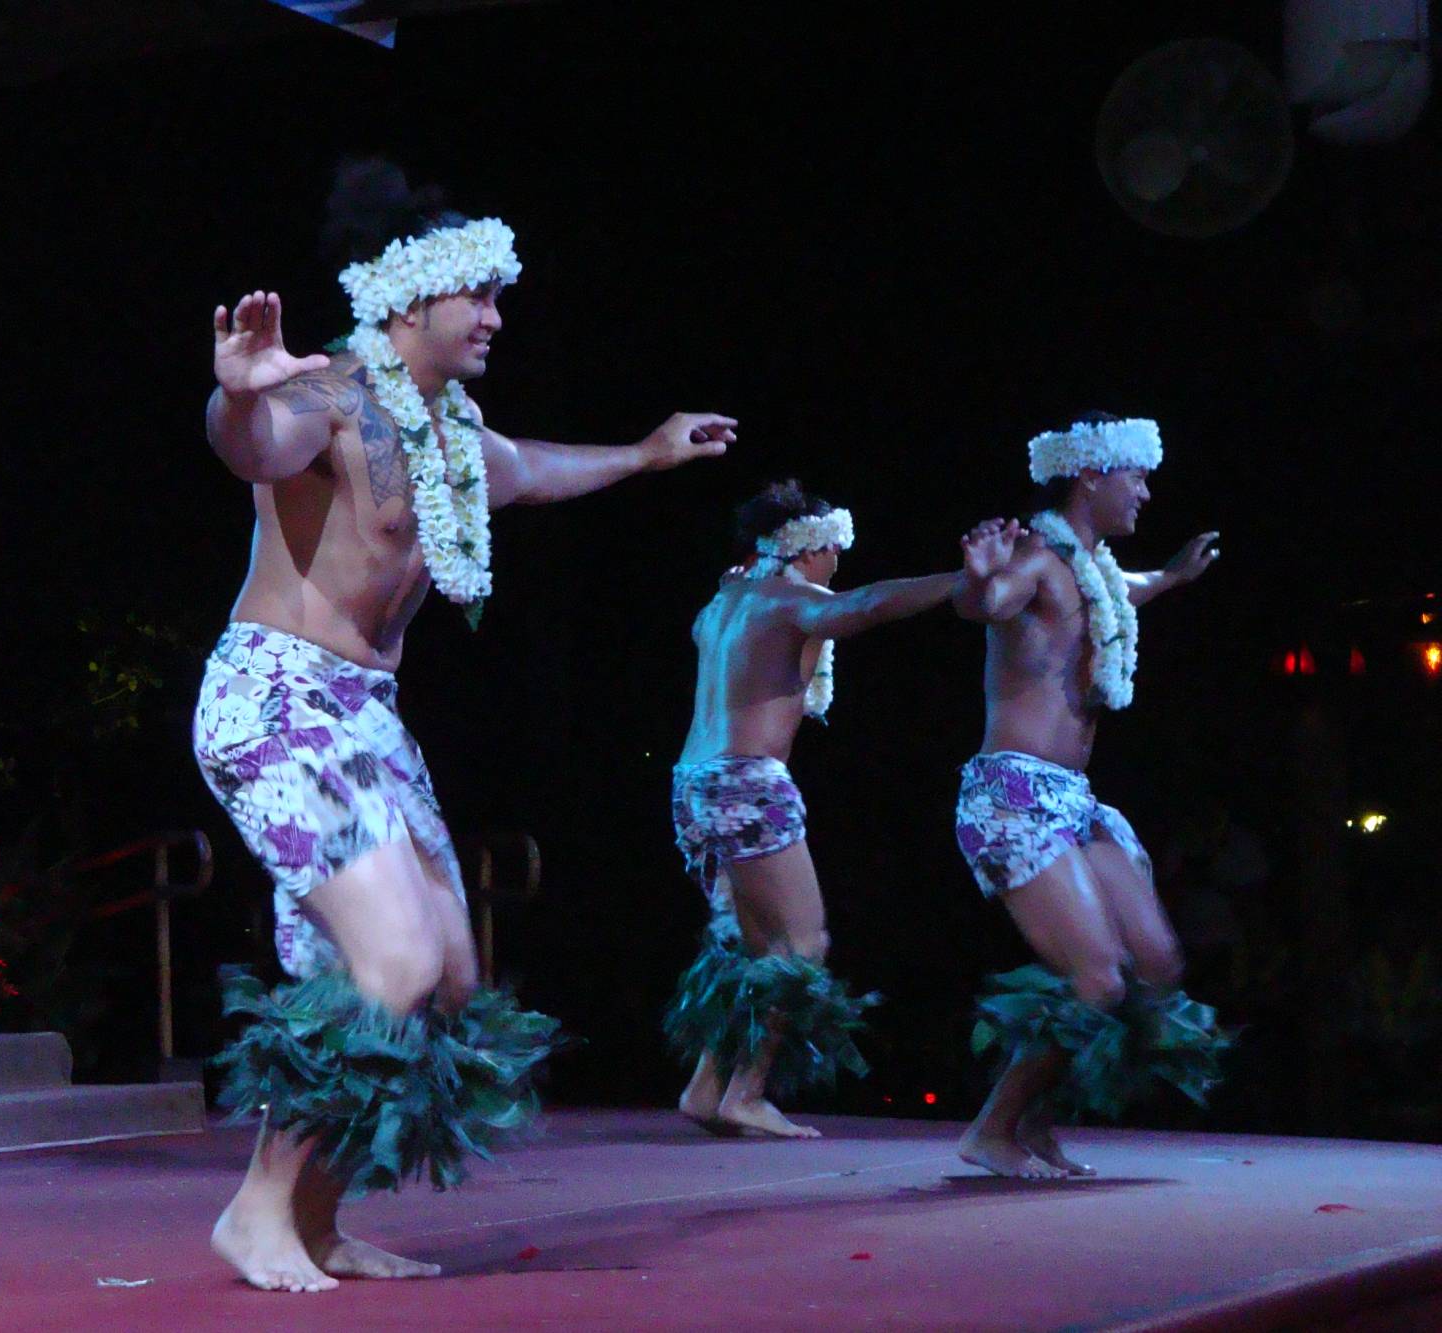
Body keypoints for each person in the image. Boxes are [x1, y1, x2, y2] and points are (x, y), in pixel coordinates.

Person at [196, 158, 736, 1292]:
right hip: (276, 699)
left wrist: (643, 454)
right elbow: (258, 446)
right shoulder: (331, 394)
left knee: (440, 975)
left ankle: (318, 1216)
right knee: (387, 959)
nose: (496, 315)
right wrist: (241, 390)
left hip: (366, 716)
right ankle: (254, 1210)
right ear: (408, 296)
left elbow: (528, 470)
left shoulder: (448, 435)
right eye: (478, 294)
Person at [952, 413, 1229, 1179]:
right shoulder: (1040, 558)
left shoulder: (1098, 571)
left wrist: (1171, 576)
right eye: (1135, 477)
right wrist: (980, 576)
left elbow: (1122, 592)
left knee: (1157, 961)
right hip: (1010, 795)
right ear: (1091, 477)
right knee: (1098, 977)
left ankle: (1036, 1121)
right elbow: (992, 601)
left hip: (1073, 799)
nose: (1144, 491)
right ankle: (993, 1128)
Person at [667, 481, 980, 1137]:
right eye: (836, 546)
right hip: (747, 781)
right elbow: (866, 606)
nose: (839, 559)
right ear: (811, 546)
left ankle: (706, 1082)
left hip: (694, 783)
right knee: (803, 942)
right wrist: (959, 580)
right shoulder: (788, 599)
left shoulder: (725, 601)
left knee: (755, 946)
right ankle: (746, 1092)